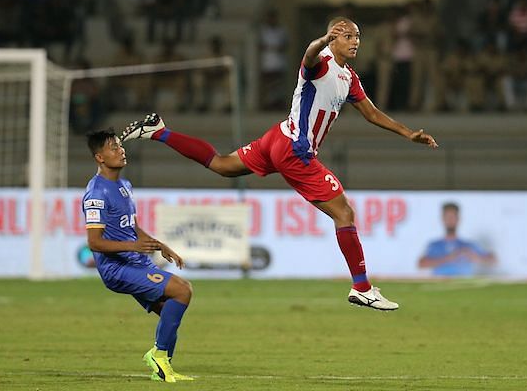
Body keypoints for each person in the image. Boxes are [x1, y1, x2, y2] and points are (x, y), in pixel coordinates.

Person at [121, 17, 439, 311]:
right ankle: (362, 287)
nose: (355, 41)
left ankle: (159, 131)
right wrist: (322, 40)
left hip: (278, 137)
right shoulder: (320, 64)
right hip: (294, 150)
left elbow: (371, 113)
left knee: (221, 164)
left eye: (357, 36)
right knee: (344, 213)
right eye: (347, 36)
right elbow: (309, 53)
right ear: (333, 39)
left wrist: (408, 133)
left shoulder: (349, 77)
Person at [82, 129, 194, 383]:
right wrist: (133, 248)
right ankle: (158, 356)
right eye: (113, 148)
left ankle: (162, 367)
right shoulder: (96, 194)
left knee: (170, 312)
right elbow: (94, 242)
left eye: (120, 146)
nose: (121, 151)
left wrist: (159, 244)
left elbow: (130, 226)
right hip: (117, 268)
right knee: (183, 290)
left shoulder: (124, 185)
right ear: (99, 157)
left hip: (136, 262)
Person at [418, 202, 496, 276]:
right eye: (448, 217)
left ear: (458, 219)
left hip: (464, 285)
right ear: (443, 219)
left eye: (453, 217)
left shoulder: (468, 245)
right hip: (440, 284)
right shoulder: (435, 245)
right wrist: (449, 258)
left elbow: (493, 260)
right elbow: (421, 264)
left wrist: (476, 257)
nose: (450, 220)